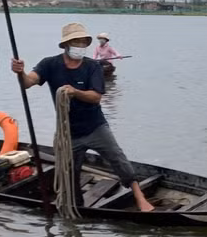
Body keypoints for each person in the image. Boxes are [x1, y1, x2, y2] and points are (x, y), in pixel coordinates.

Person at [11, 21, 154, 212]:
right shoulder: (49, 64)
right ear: (65, 45)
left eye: (82, 42)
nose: (79, 46)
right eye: (75, 42)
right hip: (68, 132)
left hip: (95, 127)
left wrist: (75, 92)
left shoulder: (92, 67)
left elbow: (96, 97)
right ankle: (76, 207)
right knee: (69, 172)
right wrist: (20, 72)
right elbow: (28, 83)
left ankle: (140, 198)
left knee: (118, 159)